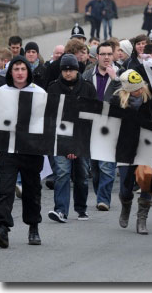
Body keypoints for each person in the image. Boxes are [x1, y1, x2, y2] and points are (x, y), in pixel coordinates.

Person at [0, 56, 46, 248]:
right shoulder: (1, 93)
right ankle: (2, 227)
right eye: (15, 69)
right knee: (5, 190)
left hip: (31, 150)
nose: (19, 72)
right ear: (10, 72)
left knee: (32, 190)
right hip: (8, 149)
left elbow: (47, 122)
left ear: (28, 71)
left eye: (22, 69)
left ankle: (33, 226)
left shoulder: (39, 93)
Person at [46, 54, 97, 223]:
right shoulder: (53, 88)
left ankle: (81, 208)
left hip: (82, 140)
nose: (68, 73)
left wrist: (77, 145)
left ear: (77, 70)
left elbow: (92, 117)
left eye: (71, 70)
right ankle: (60, 210)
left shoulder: (88, 88)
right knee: (62, 173)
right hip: (60, 140)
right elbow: (51, 117)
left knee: (82, 175)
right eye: (65, 70)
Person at [112, 69, 152, 234]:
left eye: (141, 87)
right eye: (136, 89)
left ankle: (142, 219)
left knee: (147, 181)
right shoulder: (116, 101)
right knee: (125, 186)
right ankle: (126, 205)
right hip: (125, 147)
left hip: (146, 146)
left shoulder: (150, 98)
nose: (140, 90)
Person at [82, 42, 121, 211]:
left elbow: (126, 100)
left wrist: (116, 80)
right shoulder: (88, 74)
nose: (106, 57)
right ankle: (100, 194)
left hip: (111, 126)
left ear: (113, 56)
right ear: (97, 56)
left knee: (107, 165)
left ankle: (103, 198)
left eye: (109, 54)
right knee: (95, 166)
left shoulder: (121, 74)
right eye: (102, 54)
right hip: (91, 125)